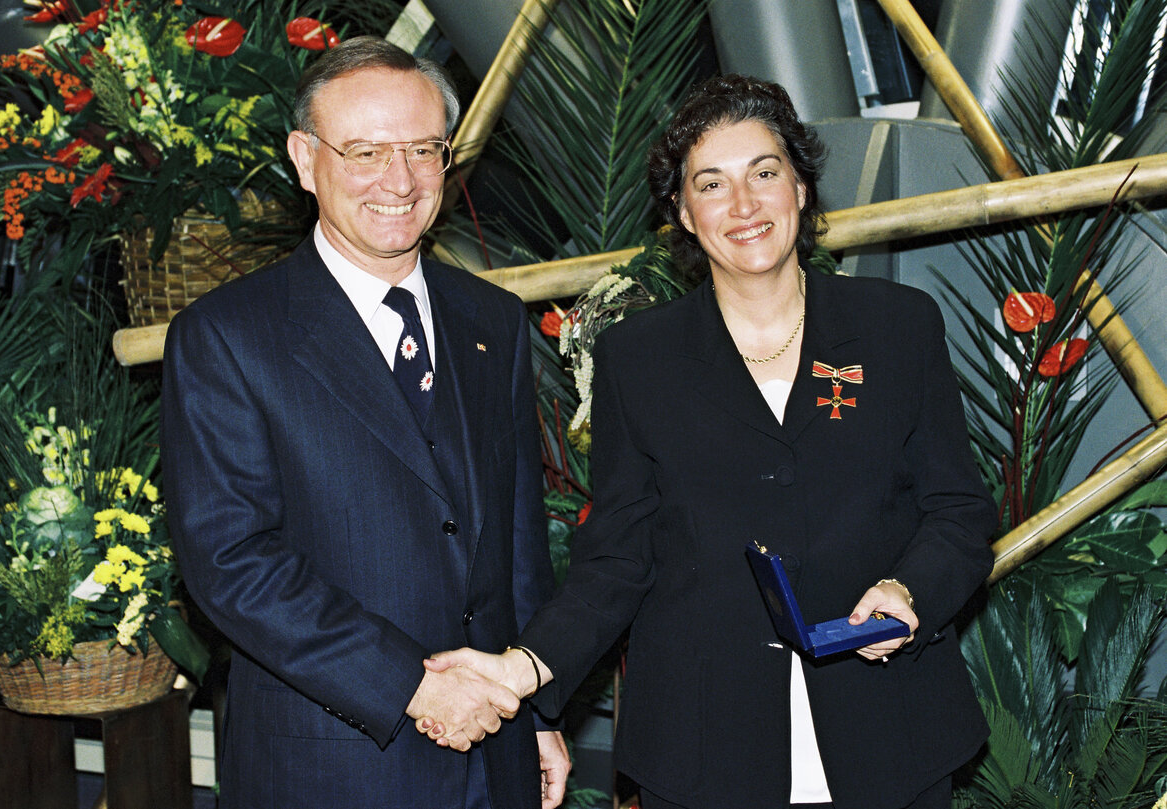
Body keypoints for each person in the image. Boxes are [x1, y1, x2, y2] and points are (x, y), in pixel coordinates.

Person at [424, 75, 998, 809]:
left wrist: (909, 590)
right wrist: (523, 668)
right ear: (684, 215)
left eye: (765, 173)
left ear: (800, 187)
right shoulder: (639, 358)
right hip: (703, 749)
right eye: (711, 184)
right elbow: (619, 554)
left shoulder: (898, 325)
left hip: (890, 731)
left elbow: (960, 511)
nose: (744, 204)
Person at [161, 36, 568, 809]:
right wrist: (411, 685)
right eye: (365, 151)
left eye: (423, 148)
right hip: (333, 764)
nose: (401, 179)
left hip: (496, 756)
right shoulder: (228, 337)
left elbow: (517, 539)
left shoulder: (494, 320)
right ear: (305, 158)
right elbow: (232, 561)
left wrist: (539, 710)